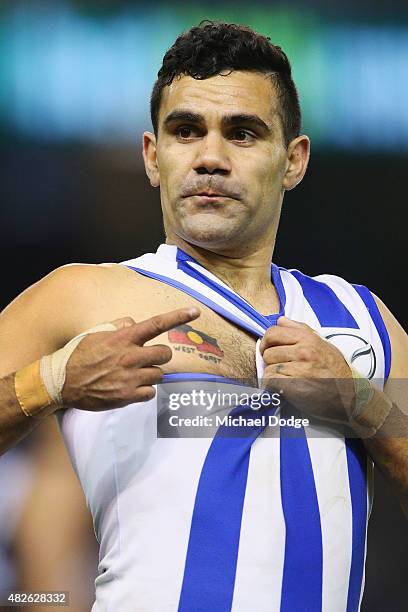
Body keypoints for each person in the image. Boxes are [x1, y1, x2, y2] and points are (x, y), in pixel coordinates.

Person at [0, 20, 407, 611]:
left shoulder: (362, 318)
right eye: (186, 131)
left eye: (243, 133)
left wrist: (360, 402)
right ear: (152, 155)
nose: (210, 157)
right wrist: (52, 381)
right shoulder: (82, 296)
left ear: (293, 160)